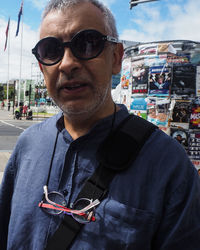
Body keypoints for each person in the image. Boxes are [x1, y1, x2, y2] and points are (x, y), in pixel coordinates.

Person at [0, 0, 200, 249]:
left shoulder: (168, 164)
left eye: (86, 44)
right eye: (51, 50)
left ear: (116, 58)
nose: (67, 63)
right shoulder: (27, 145)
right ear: (42, 67)